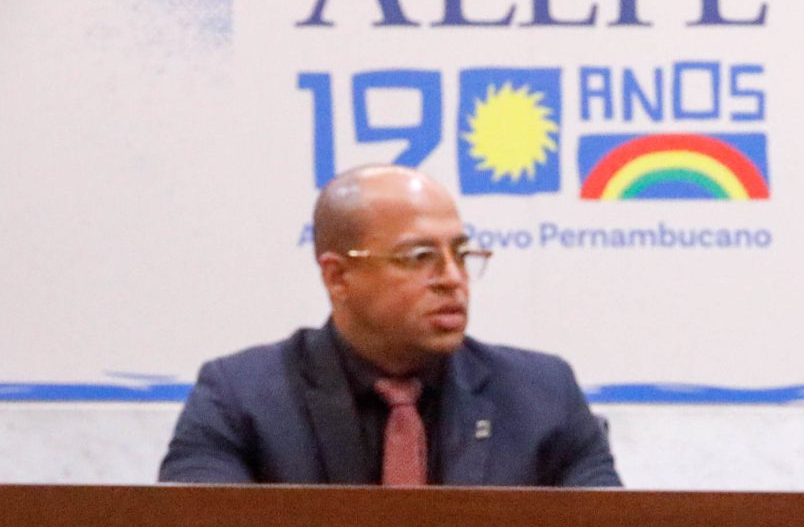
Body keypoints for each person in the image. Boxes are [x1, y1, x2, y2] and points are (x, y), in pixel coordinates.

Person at [160, 166, 620, 487]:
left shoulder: (544, 395)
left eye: (461, 254)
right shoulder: (240, 398)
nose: (452, 278)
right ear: (338, 276)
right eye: (419, 257)